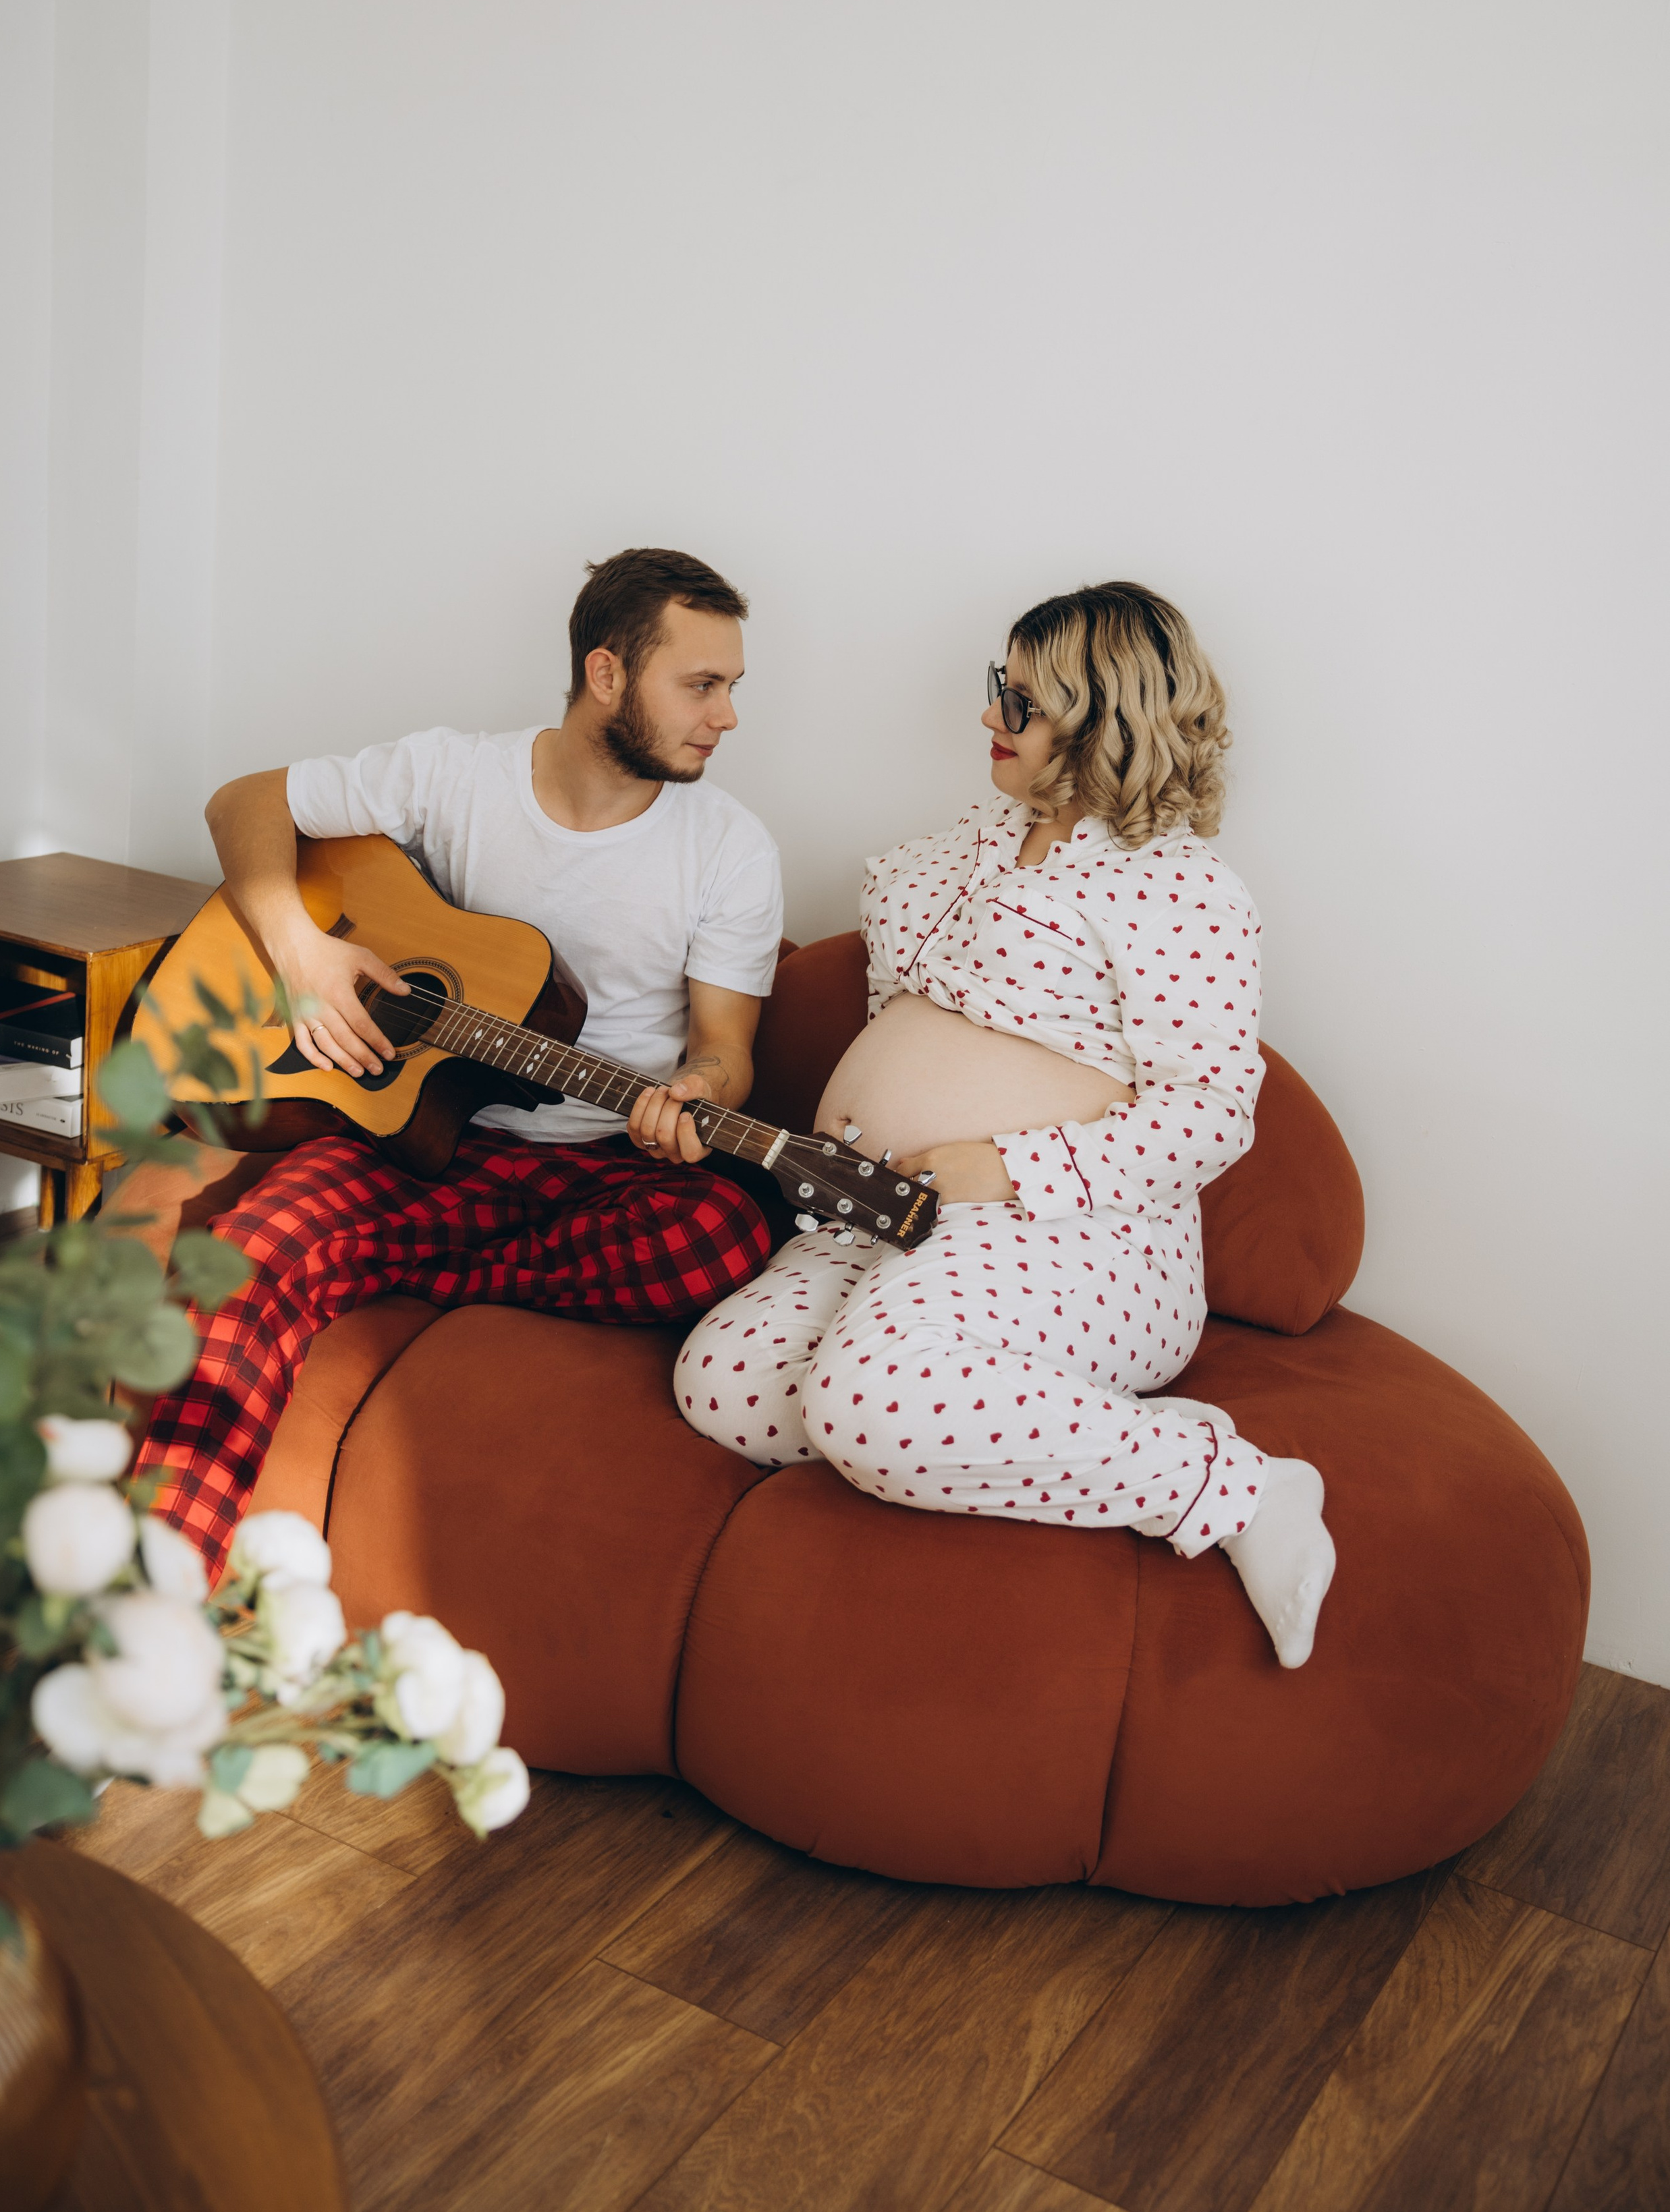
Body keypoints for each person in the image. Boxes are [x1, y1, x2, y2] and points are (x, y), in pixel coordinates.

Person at [674, 579, 1337, 1668]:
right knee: (724, 1387)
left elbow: (1214, 1114)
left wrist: (1007, 1166)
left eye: (1019, 701)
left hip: (1084, 1237)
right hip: (888, 1213)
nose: (989, 716)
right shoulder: (970, 849)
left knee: (865, 1396)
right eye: (1000, 690)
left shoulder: (1178, 888)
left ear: (1100, 716)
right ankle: (1085, 1431)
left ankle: (1238, 1489)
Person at [138, 547, 784, 1572]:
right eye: (702, 685)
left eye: (732, 687)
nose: (728, 716)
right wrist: (301, 955)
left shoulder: (732, 849)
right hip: (422, 1142)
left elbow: (724, 1052)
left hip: (599, 1166)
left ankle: (385, 1266)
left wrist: (698, 1092)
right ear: (608, 674)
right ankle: (157, 1596)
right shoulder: (453, 774)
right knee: (244, 1256)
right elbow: (243, 803)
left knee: (724, 1232)